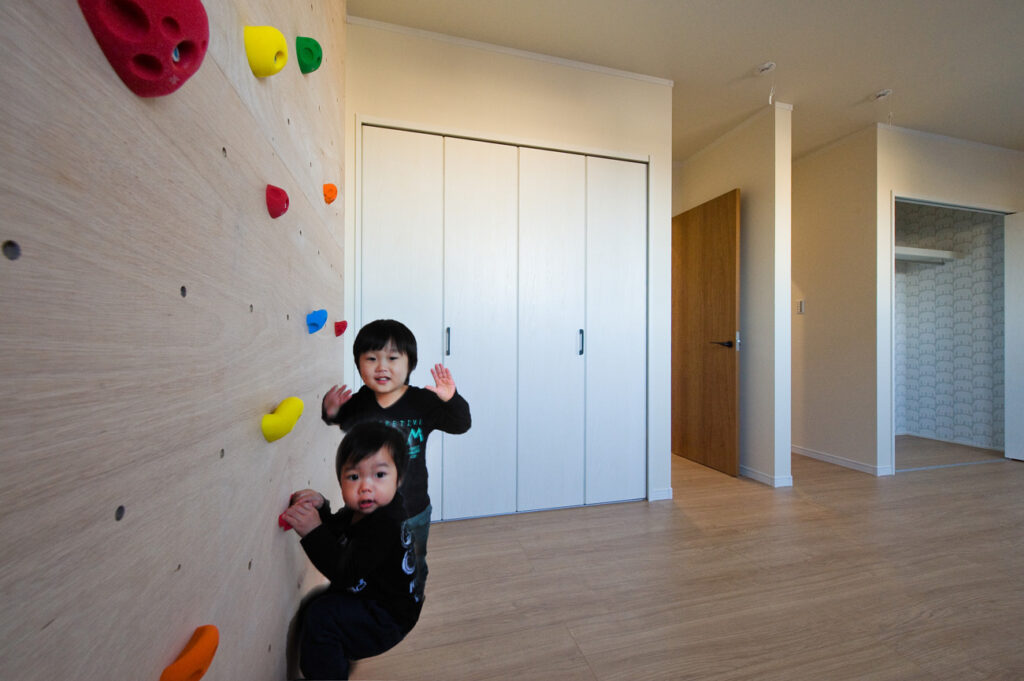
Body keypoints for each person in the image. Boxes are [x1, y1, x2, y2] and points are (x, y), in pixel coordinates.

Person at [321, 319, 471, 596]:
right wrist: (330, 412)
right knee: (366, 563)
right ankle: (369, 598)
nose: (381, 367)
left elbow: (461, 424)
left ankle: (409, 598)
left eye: (392, 358)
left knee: (412, 563)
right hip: (367, 509)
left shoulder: (423, 402)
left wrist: (451, 398)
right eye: (371, 358)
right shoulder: (360, 402)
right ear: (358, 365)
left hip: (413, 509)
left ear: (409, 364)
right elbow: (340, 419)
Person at [282, 421, 421, 680]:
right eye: (354, 476)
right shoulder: (365, 509)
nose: (365, 486)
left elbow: (345, 573)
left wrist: (313, 531)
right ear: (341, 480)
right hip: (375, 596)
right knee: (319, 603)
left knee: (323, 617)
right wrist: (321, 509)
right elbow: (340, 531)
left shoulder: (386, 523)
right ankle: (338, 656)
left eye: (379, 475)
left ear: (399, 479)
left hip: (388, 617)